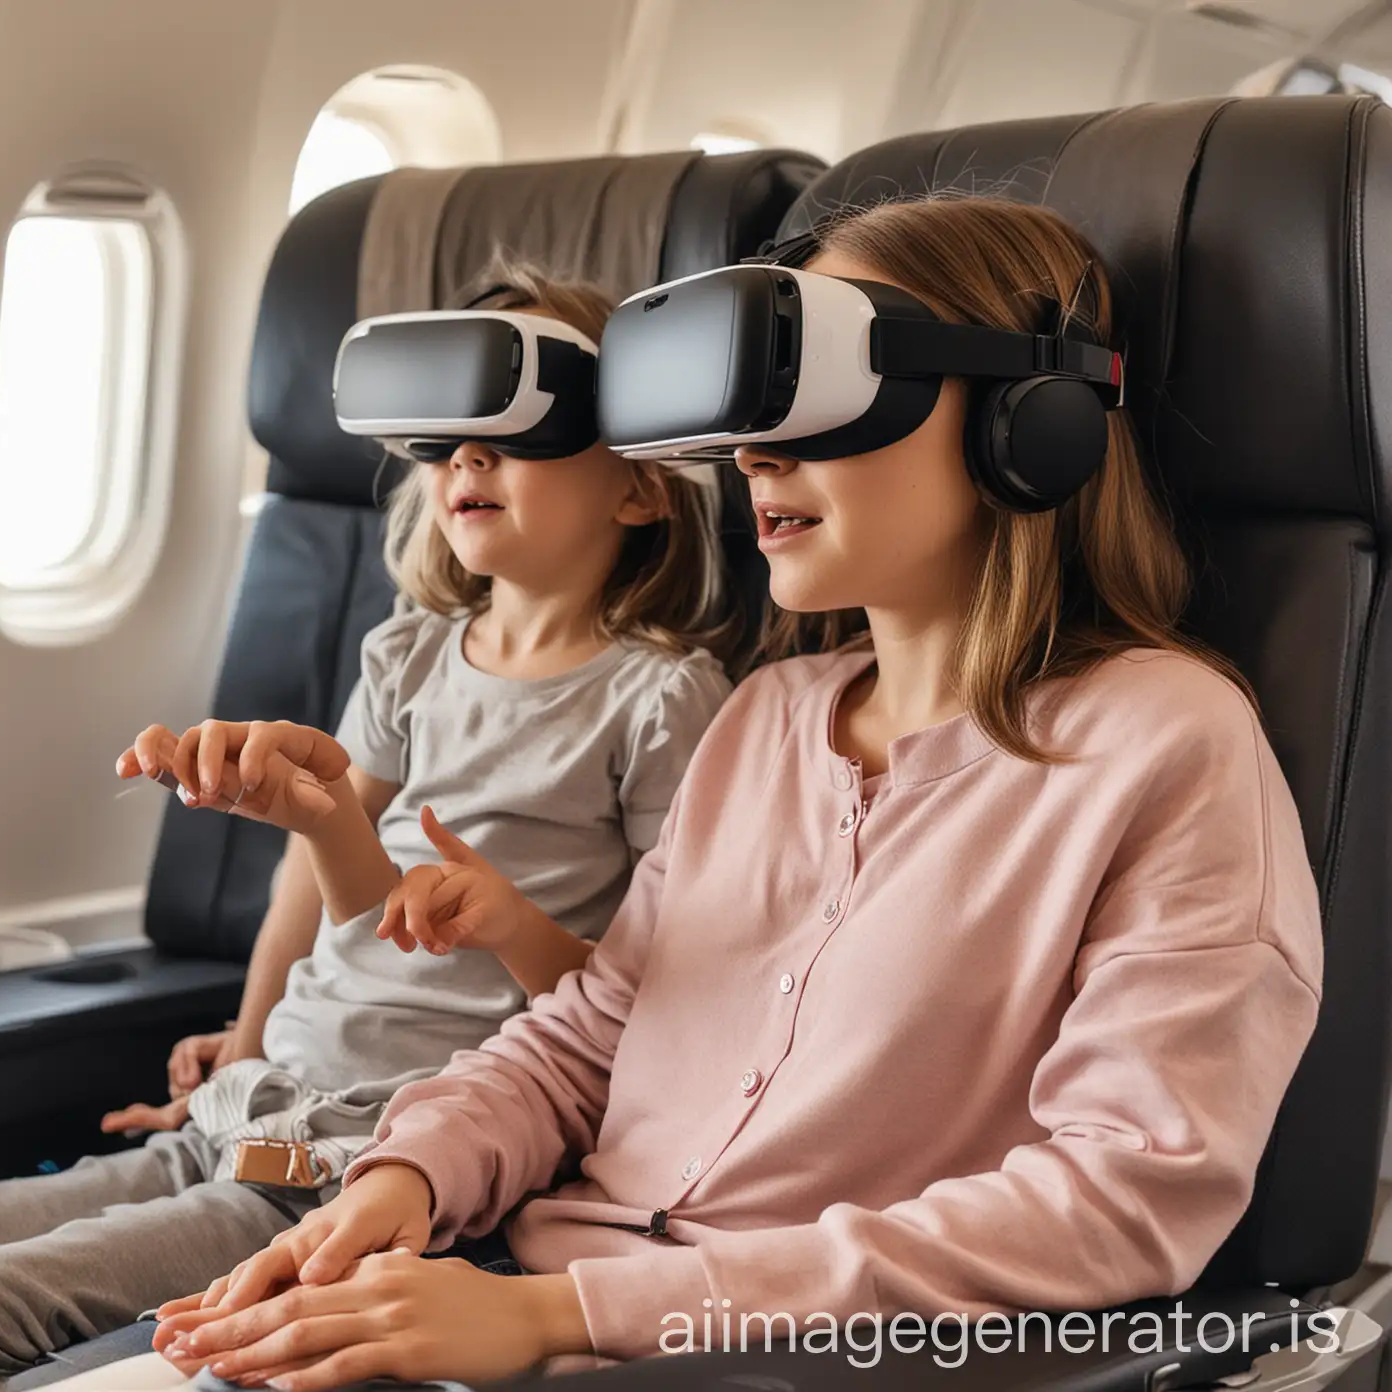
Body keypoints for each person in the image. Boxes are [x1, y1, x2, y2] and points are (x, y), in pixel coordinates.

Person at [151, 197, 1325, 1392]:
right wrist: (405, 1179)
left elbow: (1120, 1199)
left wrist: (570, 1317)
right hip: (519, 1285)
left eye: (827, 403)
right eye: (756, 419)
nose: (758, 456)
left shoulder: (1165, 744)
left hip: (773, 1359)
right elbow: (588, 1042)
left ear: (1030, 425)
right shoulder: (764, 719)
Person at [0, 264, 734, 1392]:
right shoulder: (411, 654)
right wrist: (241, 1044)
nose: (467, 459)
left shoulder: (660, 700)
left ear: (640, 490)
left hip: (376, 1157)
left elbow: (647, 1013)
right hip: (258, 1108)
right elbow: (334, 893)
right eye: (448, 435)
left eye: (519, 428)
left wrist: (512, 921)